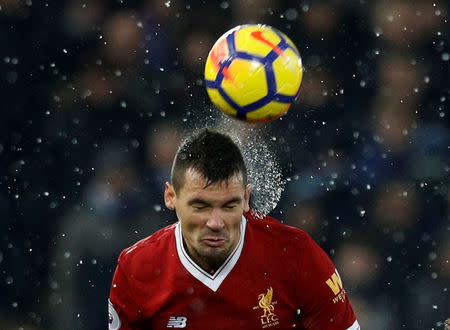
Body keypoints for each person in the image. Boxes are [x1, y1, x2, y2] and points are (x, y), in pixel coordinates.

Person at [108, 128, 359, 329]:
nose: (216, 223)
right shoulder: (136, 268)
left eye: (229, 206)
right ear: (170, 196)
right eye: (201, 206)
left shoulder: (296, 255)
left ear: (246, 199)